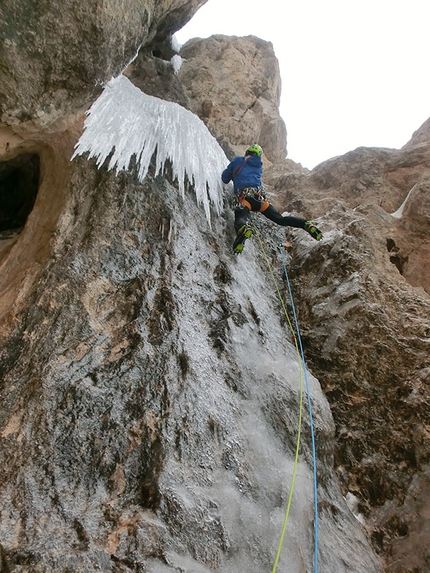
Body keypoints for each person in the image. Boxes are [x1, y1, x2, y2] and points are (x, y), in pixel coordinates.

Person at [221, 144, 323, 253]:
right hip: (260, 199)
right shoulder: (258, 166)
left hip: (245, 197)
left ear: (247, 152)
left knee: (240, 218)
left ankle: (243, 229)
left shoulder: (238, 161)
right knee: (280, 219)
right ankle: (305, 224)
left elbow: (225, 178)